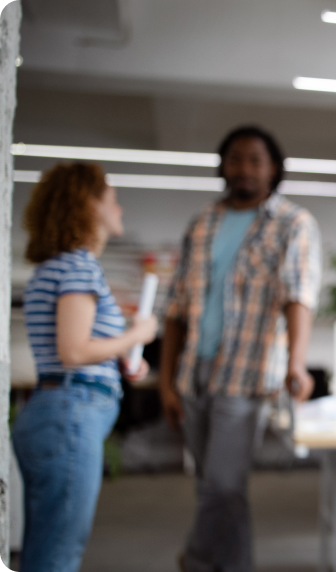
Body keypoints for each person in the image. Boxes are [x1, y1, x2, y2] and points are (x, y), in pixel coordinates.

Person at [158, 125, 321, 572]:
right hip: (194, 371)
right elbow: (174, 308)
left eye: (255, 159)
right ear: (222, 166)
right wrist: (168, 381)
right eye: (235, 158)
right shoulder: (203, 223)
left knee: (223, 487)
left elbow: (297, 296)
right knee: (212, 488)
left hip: (246, 374)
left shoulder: (292, 223)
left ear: (273, 168)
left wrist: (297, 364)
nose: (244, 168)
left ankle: (194, 560)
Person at [13, 162, 159, 572]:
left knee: (46, 547)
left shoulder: (54, 267)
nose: (120, 209)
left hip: (57, 411)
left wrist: (121, 358)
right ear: (88, 205)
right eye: (112, 199)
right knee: (57, 555)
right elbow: (74, 351)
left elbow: (76, 348)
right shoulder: (77, 266)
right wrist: (138, 334)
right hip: (69, 415)